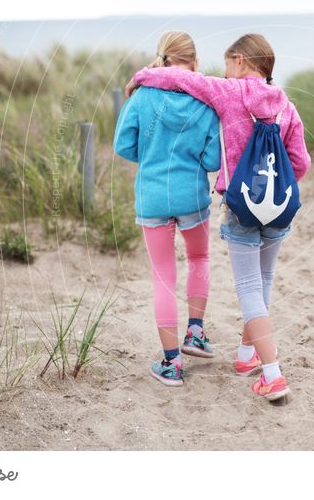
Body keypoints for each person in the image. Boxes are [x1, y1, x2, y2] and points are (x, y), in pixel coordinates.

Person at [126, 33, 311, 401]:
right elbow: (301, 162)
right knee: (264, 280)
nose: (224, 72)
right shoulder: (285, 104)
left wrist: (141, 77)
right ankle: (246, 356)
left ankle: (272, 374)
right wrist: (273, 192)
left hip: (241, 208)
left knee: (248, 289)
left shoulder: (230, 93)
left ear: (240, 61)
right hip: (280, 210)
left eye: (227, 64)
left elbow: (180, 78)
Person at [114, 31, 221, 387]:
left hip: (153, 197)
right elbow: (211, 160)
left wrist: (150, 157)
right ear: (193, 62)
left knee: (163, 276)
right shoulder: (204, 102)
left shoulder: (142, 97)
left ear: (162, 58)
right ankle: (195, 333)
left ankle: (172, 364)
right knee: (199, 260)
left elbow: (123, 145)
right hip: (192, 197)